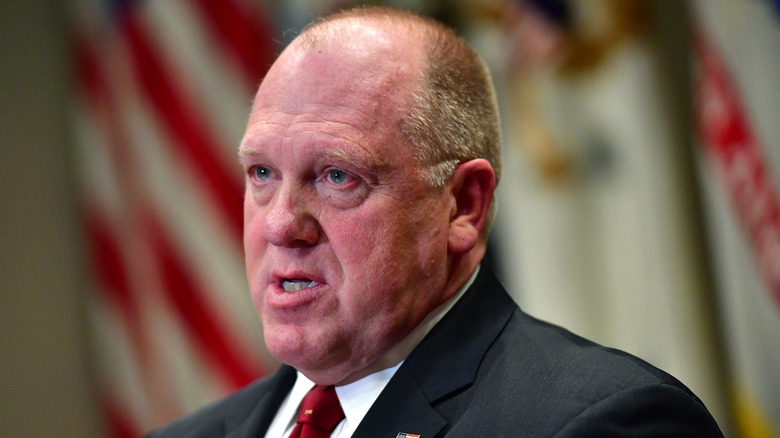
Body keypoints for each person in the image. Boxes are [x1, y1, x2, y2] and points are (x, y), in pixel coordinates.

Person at [147, 6, 722, 437]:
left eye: (337, 177)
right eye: (263, 174)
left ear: (464, 206)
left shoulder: (605, 423)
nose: (279, 226)